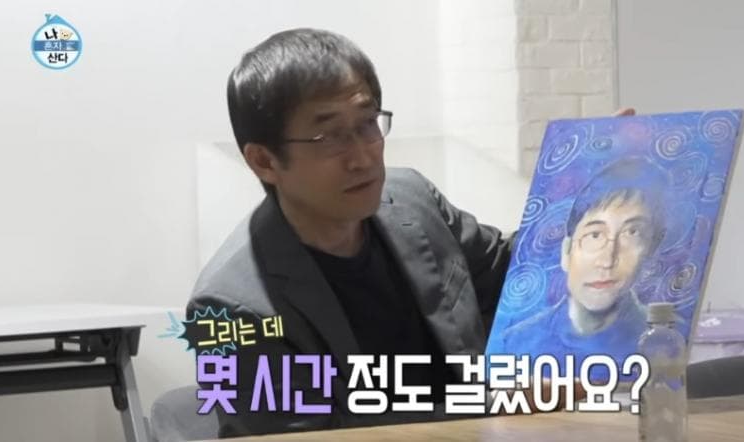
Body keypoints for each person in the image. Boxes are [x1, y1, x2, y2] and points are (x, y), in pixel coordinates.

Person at [187, 27, 633, 437]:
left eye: (367, 124)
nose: (363, 157)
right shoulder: (228, 309)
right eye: (329, 137)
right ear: (264, 161)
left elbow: (511, 274)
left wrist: (588, 188)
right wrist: (502, 402)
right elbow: (318, 434)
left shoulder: (410, 199)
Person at [495, 157, 667, 367]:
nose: (607, 260)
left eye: (632, 233)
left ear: (650, 253)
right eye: (594, 235)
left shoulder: (666, 343)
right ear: (566, 252)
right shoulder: (516, 341)